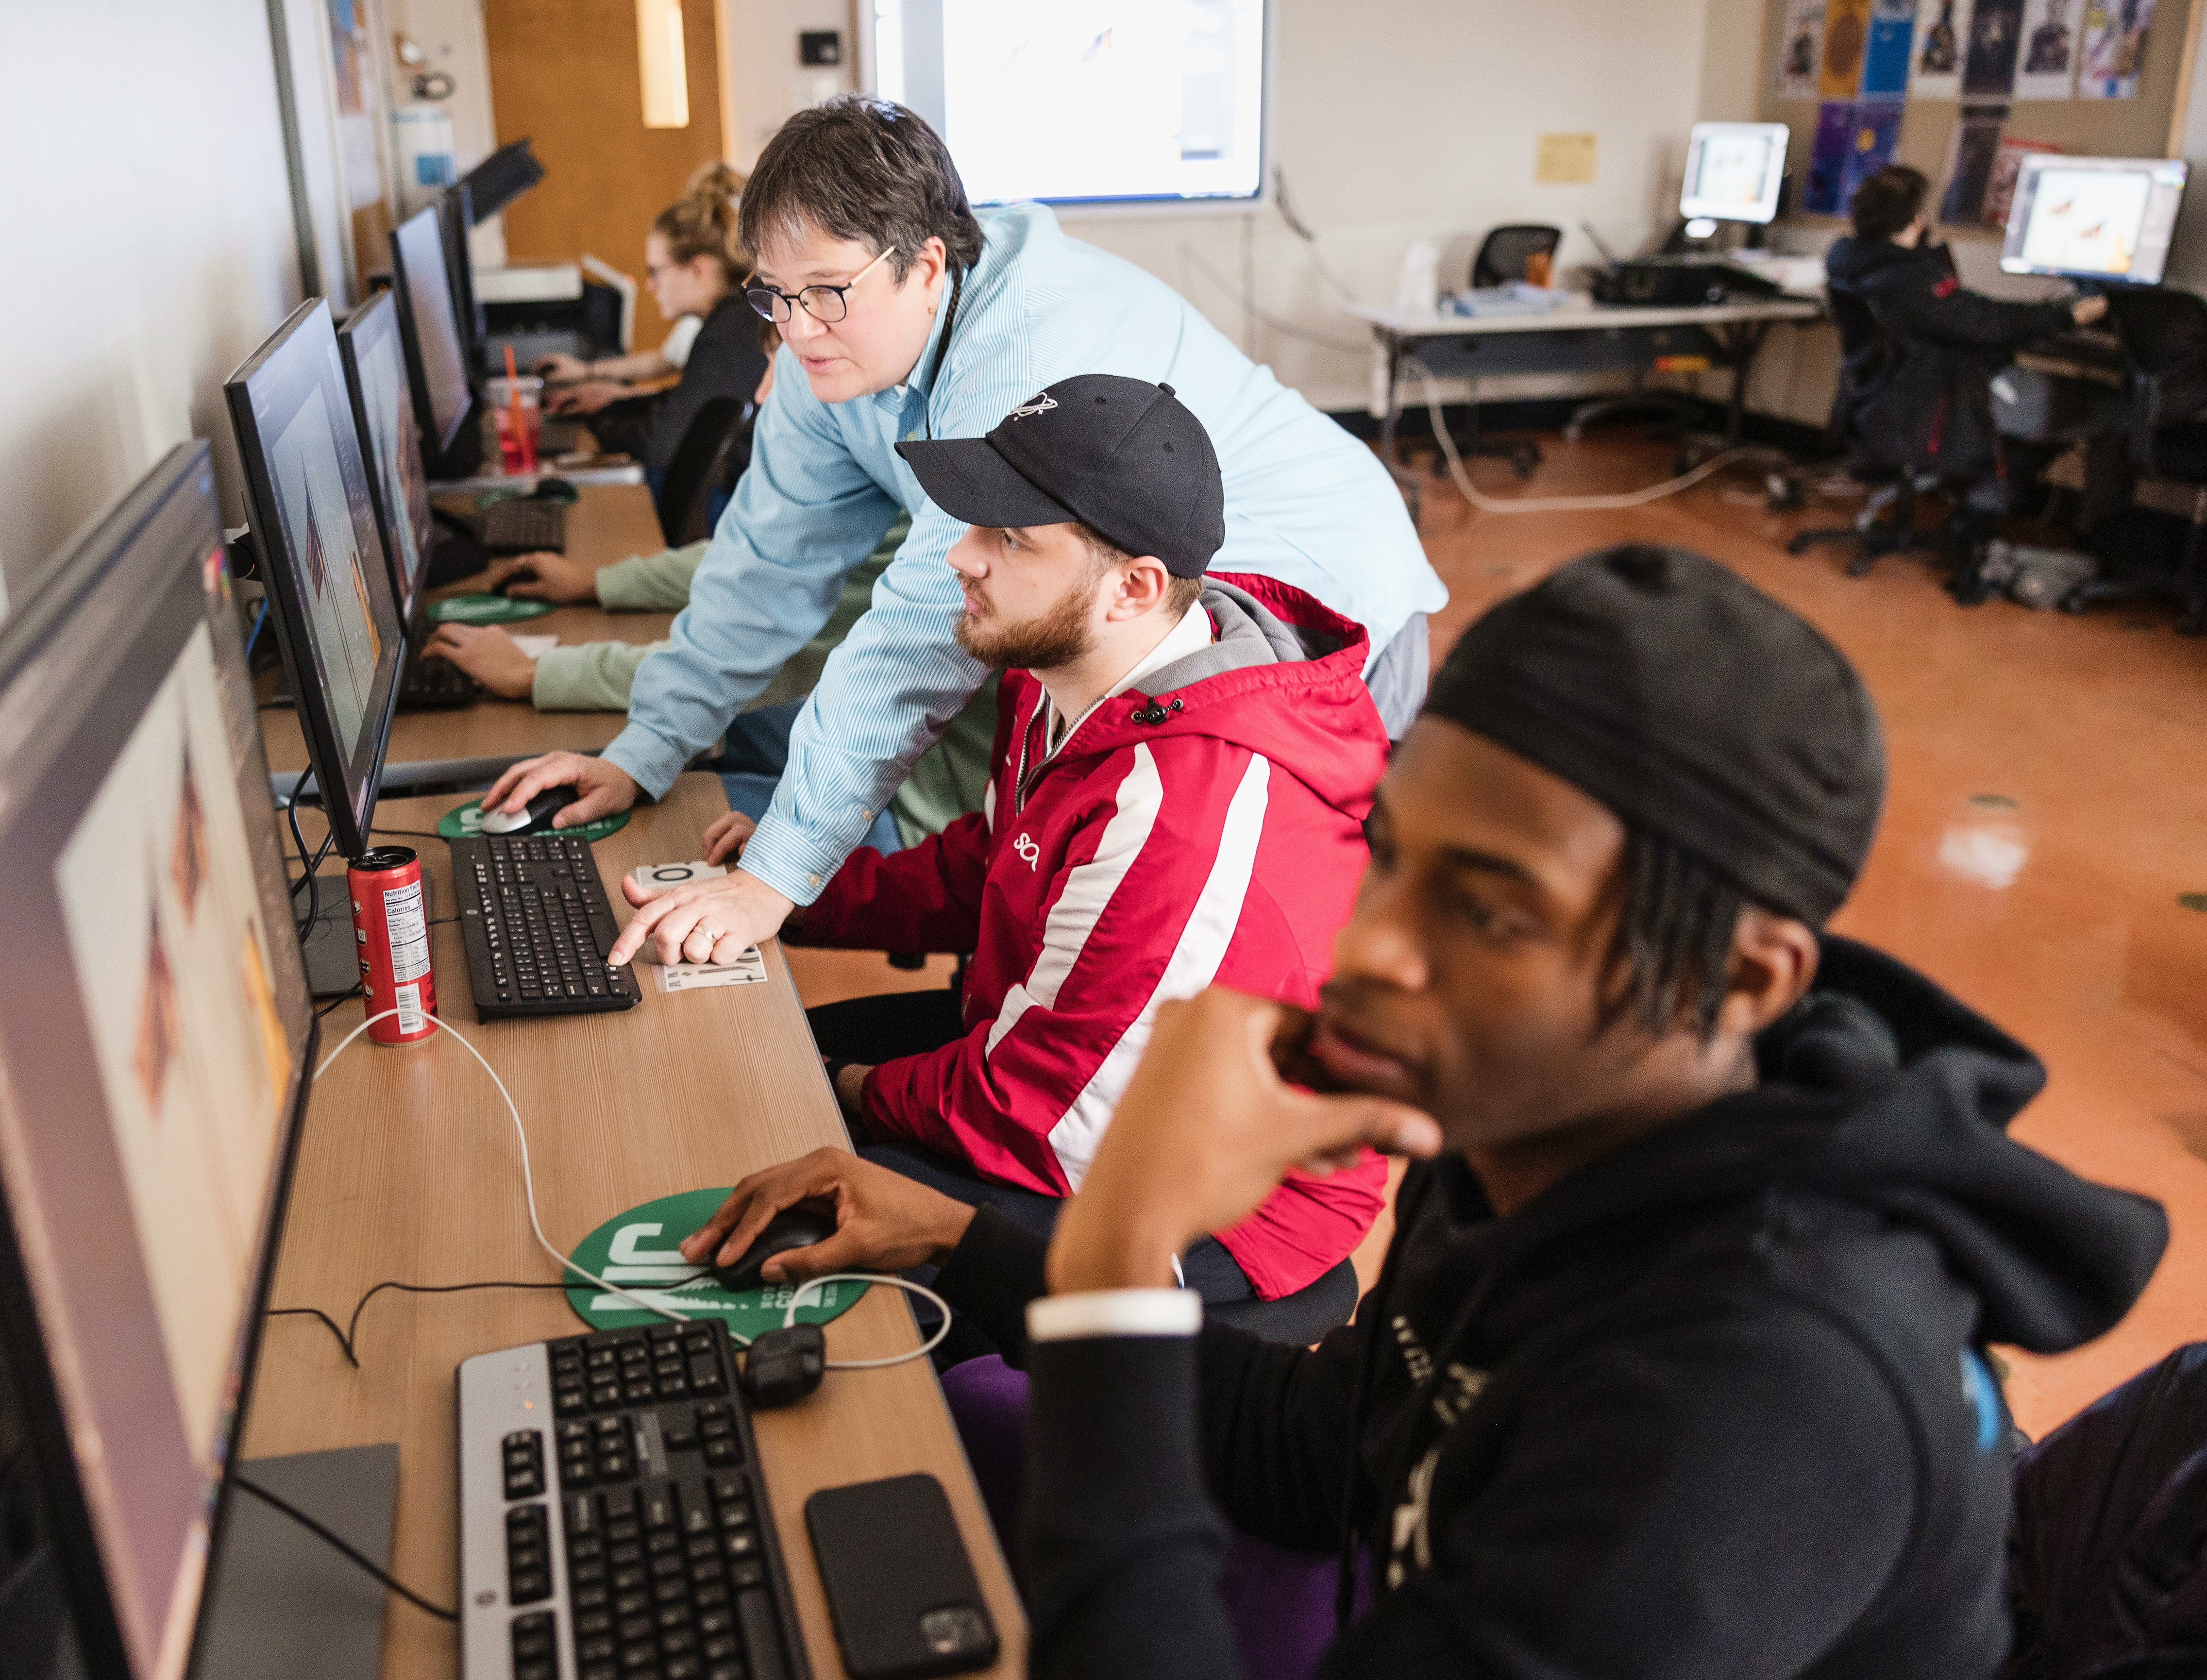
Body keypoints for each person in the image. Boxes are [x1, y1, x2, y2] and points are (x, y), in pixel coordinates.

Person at [683, 545, 2170, 1678]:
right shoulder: (1550, 1135)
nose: (1372, 948)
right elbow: (1335, 1439)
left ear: (1741, 978)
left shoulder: (1763, 1391)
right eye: (1391, 858)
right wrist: (967, 1234)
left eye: (1490, 911)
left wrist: (1127, 1233)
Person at [478, 95, 1446, 972]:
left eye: (826, 290)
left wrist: (772, 878)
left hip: (1313, 593)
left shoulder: (1018, 351)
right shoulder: (835, 352)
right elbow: (759, 572)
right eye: (772, 292)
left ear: (925, 263)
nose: (799, 326)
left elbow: (915, 634)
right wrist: (643, 748)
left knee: (1213, 930)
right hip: (1143, 603)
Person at [767, 375, 1390, 1307]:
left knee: (806, 1205)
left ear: (1132, 587)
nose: (961, 558)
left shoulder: (1180, 809)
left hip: (1212, 1193)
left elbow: (1040, 1109)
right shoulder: (1067, 664)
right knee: (762, 1078)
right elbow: (995, 861)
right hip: (1040, 1041)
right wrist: (787, 892)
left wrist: (845, 1090)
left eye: (1009, 538)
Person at [425, 508, 996, 855]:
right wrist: (604, 584)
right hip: (900, 741)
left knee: (651, 831)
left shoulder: (941, 517)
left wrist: (537, 672)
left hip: (924, 808)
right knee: (630, 762)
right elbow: (754, 560)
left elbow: (771, 650)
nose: (764, 394)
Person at [1824, 165, 2106, 595]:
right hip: (1932, 407)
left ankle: (1983, 510)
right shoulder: (1911, 279)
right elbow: (1986, 321)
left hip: (1882, 404)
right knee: (2103, 405)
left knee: (2025, 404)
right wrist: (2067, 314)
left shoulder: (1849, 261)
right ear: (1917, 219)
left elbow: (1960, 316)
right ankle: (2087, 542)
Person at [536, 162, 769, 488]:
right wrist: (616, 401)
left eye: (656, 272)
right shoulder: (731, 321)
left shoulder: (730, 333)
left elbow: (662, 444)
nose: (650, 286)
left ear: (698, 270)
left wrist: (598, 418)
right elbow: (691, 406)